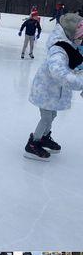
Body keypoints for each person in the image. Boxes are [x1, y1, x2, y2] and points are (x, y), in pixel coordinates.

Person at [24, 13, 83, 161]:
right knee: (46, 118)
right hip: (45, 90)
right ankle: (33, 144)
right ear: (71, 34)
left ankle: (43, 137)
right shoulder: (58, 50)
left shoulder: (68, 46)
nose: (82, 41)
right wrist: (79, 82)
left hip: (53, 90)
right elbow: (59, 72)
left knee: (52, 115)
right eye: (81, 38)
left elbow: (72, 65)